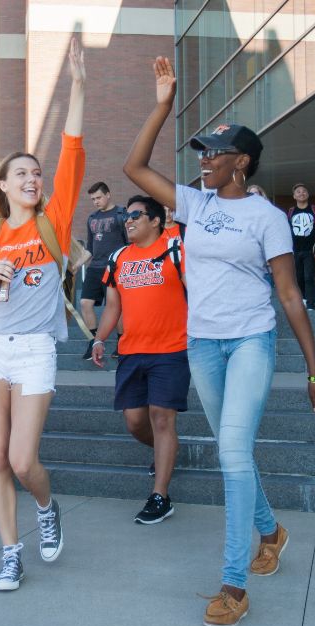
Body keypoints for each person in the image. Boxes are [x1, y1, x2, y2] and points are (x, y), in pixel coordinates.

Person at [124, 57, 315, 626]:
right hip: (203, 345)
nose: (203, 161)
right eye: (201, 154)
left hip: (250, 342)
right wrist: (162, 105)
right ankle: (271, 531)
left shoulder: (268, 218)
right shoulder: (198, 205)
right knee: (232, 449)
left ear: (242, 162)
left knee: (232, 454)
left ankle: (233, 584)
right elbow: (134, 166)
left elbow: (290, 296)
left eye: (213, 154)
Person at [0, 37, 86, 593]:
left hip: (34, 349)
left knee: (23, 457)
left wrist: (79, 87)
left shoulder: (52, 220)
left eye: (38, 172)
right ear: (4, 186)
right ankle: (10, 552)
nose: (34, 179)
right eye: (23, 174)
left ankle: (47, 505)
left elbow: (74, 151)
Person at [91, 194, 187, 525]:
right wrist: (99, 338)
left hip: (172, 349)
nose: (127, 220)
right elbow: (113, 306)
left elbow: (197, 293)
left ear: (156, 220)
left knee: (162, 417)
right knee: (135, 421)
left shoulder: (176, 250)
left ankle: (160, 496)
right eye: (126, 216)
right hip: (131, 352)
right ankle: (167, 452)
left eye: (135, 215)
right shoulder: (118, 258)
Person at [80, 181, 128, 360]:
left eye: (98, 197)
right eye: (93, 199)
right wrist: (76, 264)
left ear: (108, 194)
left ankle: (121, 342)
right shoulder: (92, 218)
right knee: (85, 303)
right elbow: (90, 248)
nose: (96, 201)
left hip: (116, 267)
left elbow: (129, 244)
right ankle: (94, 340)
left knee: (116, 307)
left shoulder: (122, 214)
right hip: (95, 267)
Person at [287, 183, 315, 311]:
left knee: (309, 277)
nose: (301, 193)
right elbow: (286, 231)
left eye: (304, 191)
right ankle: (303, 299)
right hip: (295, 250)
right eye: (298, 192)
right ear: (294, 196)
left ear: (308, 194)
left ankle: (310, 304)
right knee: (298, 277)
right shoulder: (291, 212)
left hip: (311, 250)